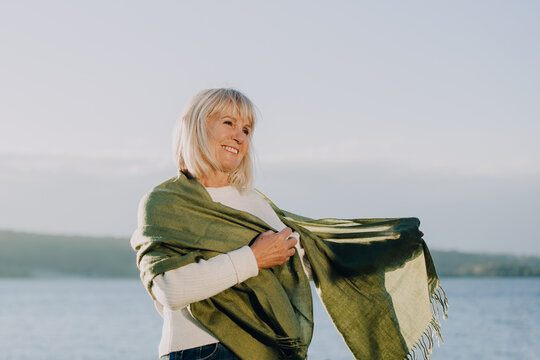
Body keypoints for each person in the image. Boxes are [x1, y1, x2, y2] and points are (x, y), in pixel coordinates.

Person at [131, 88, 447, 360]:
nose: (239, 136)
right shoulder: (165, 201)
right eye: (228, 122)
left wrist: (389, 246)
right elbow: (169, 288)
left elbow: (313, 258)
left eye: (246, 129)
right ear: (196, 127)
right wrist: (253, 258)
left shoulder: (255, 203)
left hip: (266, 350)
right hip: (200, 350)